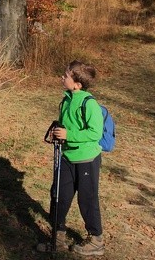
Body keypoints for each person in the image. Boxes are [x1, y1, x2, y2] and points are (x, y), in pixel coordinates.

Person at [37, 61, 105, 256]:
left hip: (87, 160)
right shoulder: (67, 98)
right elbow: (66, 123)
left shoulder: (89, 103)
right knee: (59, 196)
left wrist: (69, 135)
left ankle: (96, 240)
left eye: (66, 75)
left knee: (87, 200)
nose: (62, 77)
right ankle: (57, 238)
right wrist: (57, 131)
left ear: (77, 84)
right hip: (66, 156)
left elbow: (95, 133)